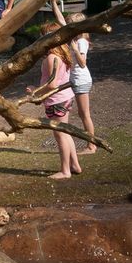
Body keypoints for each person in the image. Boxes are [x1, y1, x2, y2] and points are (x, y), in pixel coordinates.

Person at [28, 23, 81, 179]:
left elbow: (52, 84)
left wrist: (35, 91)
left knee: (60, 135)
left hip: (57, 100)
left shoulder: (52, 57)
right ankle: (75, 165)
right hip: (66, 97)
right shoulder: (63, 53)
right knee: (66, 132)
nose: (40, 39)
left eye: (42, 36)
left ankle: (65, 171)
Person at [51, 0, 96, 154]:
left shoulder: (81, 42)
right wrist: (54, 2)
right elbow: (60, 21)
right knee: (74, 112)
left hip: (81, 80)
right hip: (73, 79)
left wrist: (75, 49)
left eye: (71, 26)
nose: (68, 28)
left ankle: (91, 146)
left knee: (85, 115)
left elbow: (83, 63)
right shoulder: (73, 37)